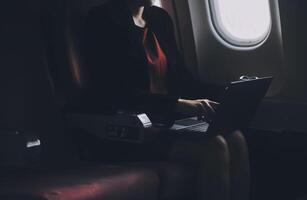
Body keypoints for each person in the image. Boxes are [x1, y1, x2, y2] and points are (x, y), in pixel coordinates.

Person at [83, 0, 250, 199]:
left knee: (236, 137)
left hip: (166, 123)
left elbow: (185, 80)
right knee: (215, 147)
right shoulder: (102, 20)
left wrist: (229, 92)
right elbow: (115, 93)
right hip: (132, 130)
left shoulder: (159, 19)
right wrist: (179, 105)